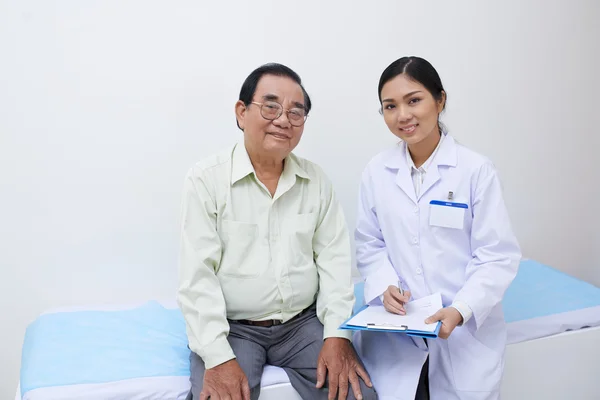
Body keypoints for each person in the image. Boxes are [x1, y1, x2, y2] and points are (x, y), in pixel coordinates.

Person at [177, 62, 377, 400]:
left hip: (302, 326)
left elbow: (335, 264)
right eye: (270, 106)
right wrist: (217, 357)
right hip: (234, 329)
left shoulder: (315, 181)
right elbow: (197, 278)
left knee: (359, 396)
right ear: (242, 112)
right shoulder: (206, 179)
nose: (283, 120)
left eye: (295, 112)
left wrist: (337, 335)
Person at [352, 56, 521, 400]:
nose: (403, 115)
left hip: (462, 333)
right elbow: (370, 244)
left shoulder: (475, 171)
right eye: (390, 106)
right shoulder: (376, 171)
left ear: (440, 100)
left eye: (414, 100)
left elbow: (496, 256)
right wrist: (385, 286)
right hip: (398, 330)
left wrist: (461, 309)